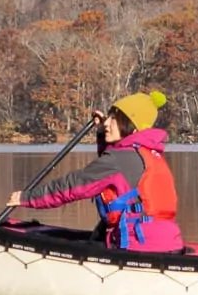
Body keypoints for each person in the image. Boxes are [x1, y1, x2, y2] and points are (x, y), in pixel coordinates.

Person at [10, 89, 184, 252]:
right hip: (167, 241)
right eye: (108, 117)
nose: (107, 122)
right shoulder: (148, 153)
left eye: (115, 119)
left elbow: (74, 186)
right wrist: (102, 134)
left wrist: (27, 198)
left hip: (136, 244)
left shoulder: (118, 160)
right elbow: (109, 170)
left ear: (133, 126)